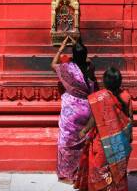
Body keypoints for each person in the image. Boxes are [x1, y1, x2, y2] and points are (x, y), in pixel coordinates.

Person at [74, 67, 133, 191]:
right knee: (116, 167)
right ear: (120, 82)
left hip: (103, 141)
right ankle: (113, 187)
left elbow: (95, 118)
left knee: (101, 168)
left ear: (104, 82)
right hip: (121, 140)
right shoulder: (126, 96)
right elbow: (130, 118)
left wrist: (84, 130)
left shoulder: (99, 98)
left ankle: (105, 186)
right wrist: (129, 138)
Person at [51, 36, 96, 184]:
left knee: (66, 141)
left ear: (73, 56)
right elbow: (87, 60)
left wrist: (62, 47)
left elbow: (53, 64)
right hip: (87, 109)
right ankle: (80, 173)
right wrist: (80, 48)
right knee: (82, 142)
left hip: (71, 110)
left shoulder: (68, 68)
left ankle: (66, 175)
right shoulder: (90, 68)